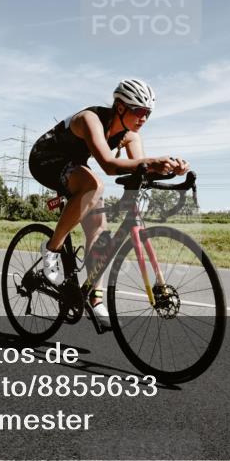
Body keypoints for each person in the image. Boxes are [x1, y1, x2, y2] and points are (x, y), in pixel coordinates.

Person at [28, 79, 189, 327]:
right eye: (138, 111)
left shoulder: (130, 136)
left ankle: (95, 297)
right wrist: (152, 162)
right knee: (94, 185)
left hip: (75, 167)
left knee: (100, 231)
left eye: (147, 113)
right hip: (45, 159)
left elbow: (141, 168)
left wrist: (171, 169)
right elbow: (108, 164)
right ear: (120, 107)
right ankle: (51, 248)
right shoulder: (90, 119)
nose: (143, 118)